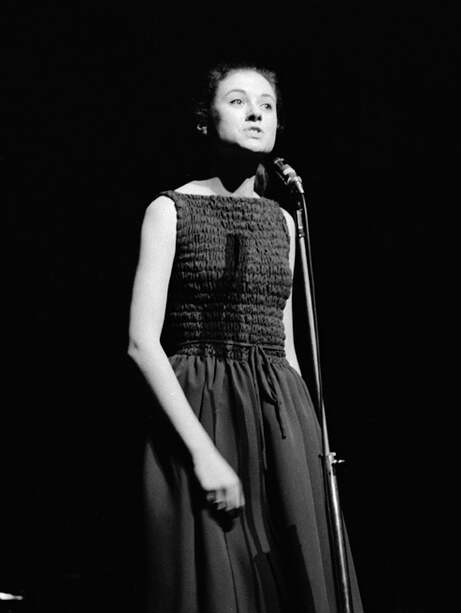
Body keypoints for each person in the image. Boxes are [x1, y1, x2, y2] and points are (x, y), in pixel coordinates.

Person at [127, 62, 363, 613]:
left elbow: (286, 342)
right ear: (204, 121)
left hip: (280, 414)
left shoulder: (284, 220)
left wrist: (311, 438)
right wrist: (203, 454)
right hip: (204, 408)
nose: (256, 112)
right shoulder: (170, 210)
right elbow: (141, 343)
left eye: (267, 104)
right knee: (220, 582)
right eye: (237, 101)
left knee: (298, 580)